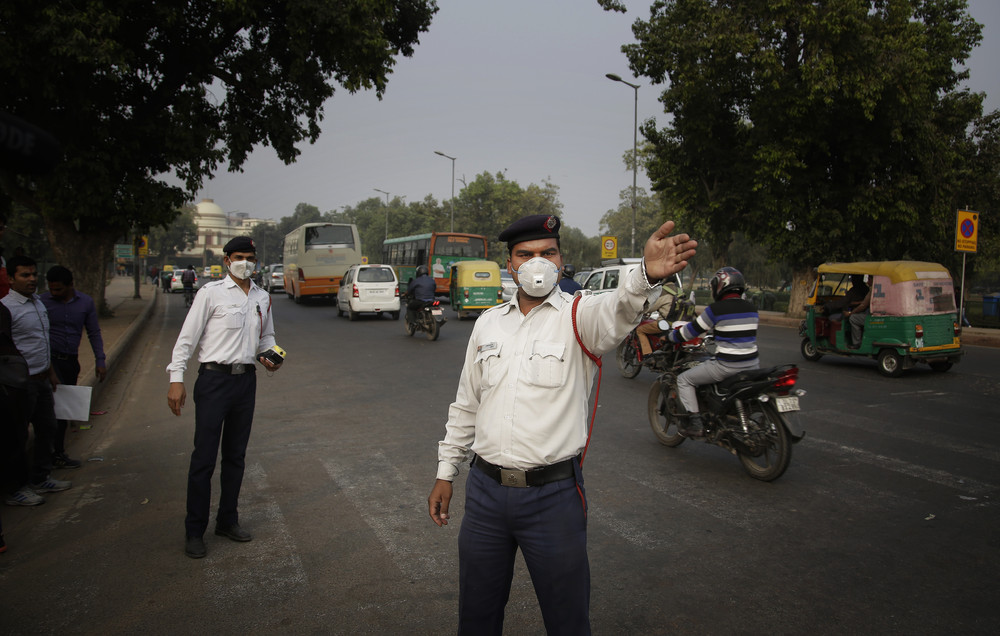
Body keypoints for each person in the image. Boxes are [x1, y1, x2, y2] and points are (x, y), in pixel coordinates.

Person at [427, 214, 696, 633]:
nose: (537, 262)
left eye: (547, 253)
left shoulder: (579, 317)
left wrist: (644, 274)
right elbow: (467, 404)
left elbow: (619, 309)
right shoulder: (488, 323)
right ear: (510, 264)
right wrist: (446, 471)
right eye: (525, 254)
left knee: (567, 618)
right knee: (476, 615)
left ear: (560, 259)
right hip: (484, 496)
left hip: (551, 498)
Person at [167, 237, 282, 559]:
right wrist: (176, 379)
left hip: (245, 383)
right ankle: (194, 530)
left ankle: (227, 520)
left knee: (235, 457)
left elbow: (267, 336)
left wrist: (270, 354)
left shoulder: (262, 297)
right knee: (203, 459)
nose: (245, 262)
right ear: (227, 259)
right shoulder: (210, 293)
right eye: (239, 257)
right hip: (213, 381)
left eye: (250, 257)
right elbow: (186, 340)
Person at [0, 255, 73, 499]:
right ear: (10, 279)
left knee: (47, 429)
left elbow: (42, 342)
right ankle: (16, 489)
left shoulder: (39, 303)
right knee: (17, 438)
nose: (32, 279)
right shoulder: (6, 309)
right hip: (19, 385)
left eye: (33, 274)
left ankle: (41, 477)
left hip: (42, 379)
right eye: (24, 275)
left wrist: (51, 372)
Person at [665, 267, 759, 438]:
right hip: (753, 365)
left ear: (720, 286)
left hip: (727, 365)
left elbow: (691, 331)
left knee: (684, 379)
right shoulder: (752, 308)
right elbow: (738, 334)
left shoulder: (716, 309)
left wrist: (672, 337)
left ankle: (695, 423)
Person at [40, 265, 107, 469]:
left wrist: (100, 360)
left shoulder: (85, 302)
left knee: (63, 413)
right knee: (51, 413)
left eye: (59, 289)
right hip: (49, 362)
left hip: (71, 361)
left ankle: (58, 453)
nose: (54, 293)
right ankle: (47, 456)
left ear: (70, 286)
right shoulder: (42, 303)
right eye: (51, 289)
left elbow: (93, 332)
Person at [636, 281, 680, 356]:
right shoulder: (679, 291)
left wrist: (640, 309)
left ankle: (647, 354)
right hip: (679, 323)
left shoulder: (664, 291)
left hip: (665, 323)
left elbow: (651, 307)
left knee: (640, 330)